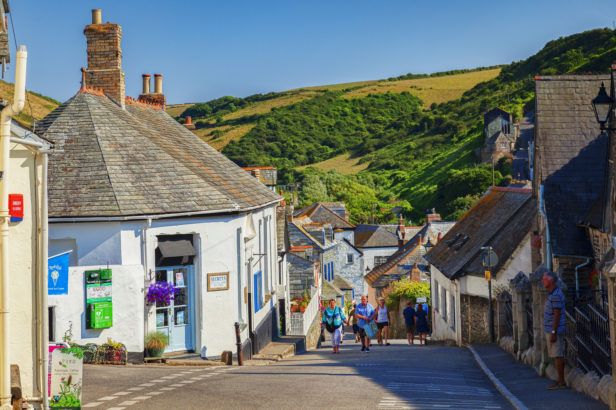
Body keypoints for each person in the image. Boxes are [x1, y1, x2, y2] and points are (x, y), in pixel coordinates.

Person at [543, 270, 566, 389]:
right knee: (556, 354)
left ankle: (561, 382)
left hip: (555, 330)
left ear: (550, 280)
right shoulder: (552, 293)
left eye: (544, 279)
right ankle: (559, 380)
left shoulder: (556, 294)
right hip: (552, 330)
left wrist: (553, 332)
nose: (543, 281)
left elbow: (557, 314)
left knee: (558, 355)